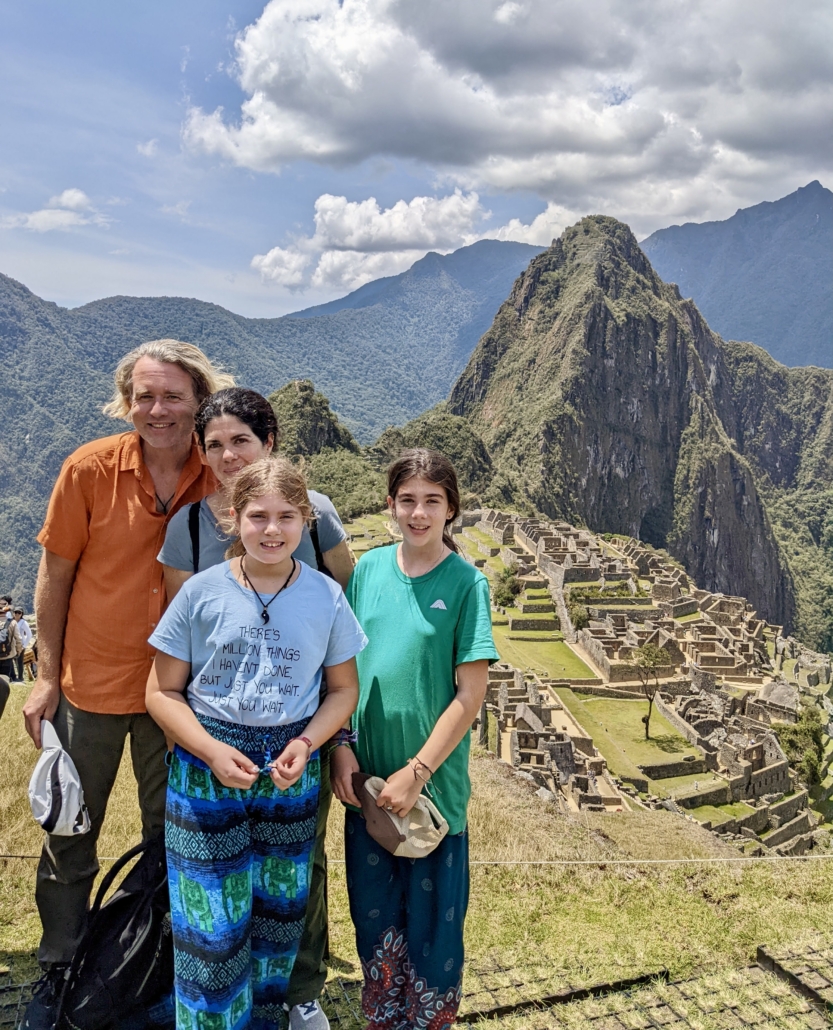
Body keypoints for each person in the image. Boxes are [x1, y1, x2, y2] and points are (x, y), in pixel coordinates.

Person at [21, 339, 234, 1030]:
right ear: (126, 401)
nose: (157, 409)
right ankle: (60, 966)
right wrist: (46, 676)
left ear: (198, 399)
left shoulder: (223, 472)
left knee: (168, 835)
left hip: (179, 693)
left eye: (173, 395)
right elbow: (54, 575)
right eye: (144, 395)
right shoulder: (89, 469)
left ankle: (147, 963)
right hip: (92, 683)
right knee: (69, 832)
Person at [146, 456, 366, 1030]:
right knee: (212, 933)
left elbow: (344, 689)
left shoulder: (325, 596)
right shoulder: (200, 593)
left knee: (277, 924)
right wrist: (211, 752)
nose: (272, 530)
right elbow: (162, 692)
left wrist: (310, 740)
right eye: (258, 516)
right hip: (206, 768)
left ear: (306, 522)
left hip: (291, 770)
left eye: (287, 517)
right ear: (233, 519)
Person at [332, 449, 499, 1030]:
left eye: (432, 502)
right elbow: (343, 671)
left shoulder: (466, 584)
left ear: (451, 509)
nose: (419, 514)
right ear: (390, 505)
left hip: (431, 792)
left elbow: (469, 695)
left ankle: (427, 1022)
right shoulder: (369, 573)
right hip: (367, 785)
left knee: (432, 929)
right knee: (374, 920)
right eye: (408, 501)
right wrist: (342, 747)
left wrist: (418, 771)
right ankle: (383, 1019)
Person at [159, 387, 354, 598]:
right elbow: (182, 618)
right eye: (215, 445)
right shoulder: (188, 527)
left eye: (240, 440)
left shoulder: (315, 510)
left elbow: (348, 598)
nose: (228, 455)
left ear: (268, 442)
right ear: (203, 454)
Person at [13, 607, 33, 682]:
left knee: (19, 661)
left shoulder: (23, 623)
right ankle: (14, 676)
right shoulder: (12, 621)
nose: (17, 614)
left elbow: (29, 634)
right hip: (13, 645)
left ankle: (21, 677)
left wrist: (24, 646)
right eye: (16, 612)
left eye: (19, 613)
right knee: (14, 661)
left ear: (21, 614)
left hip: (20, 644)